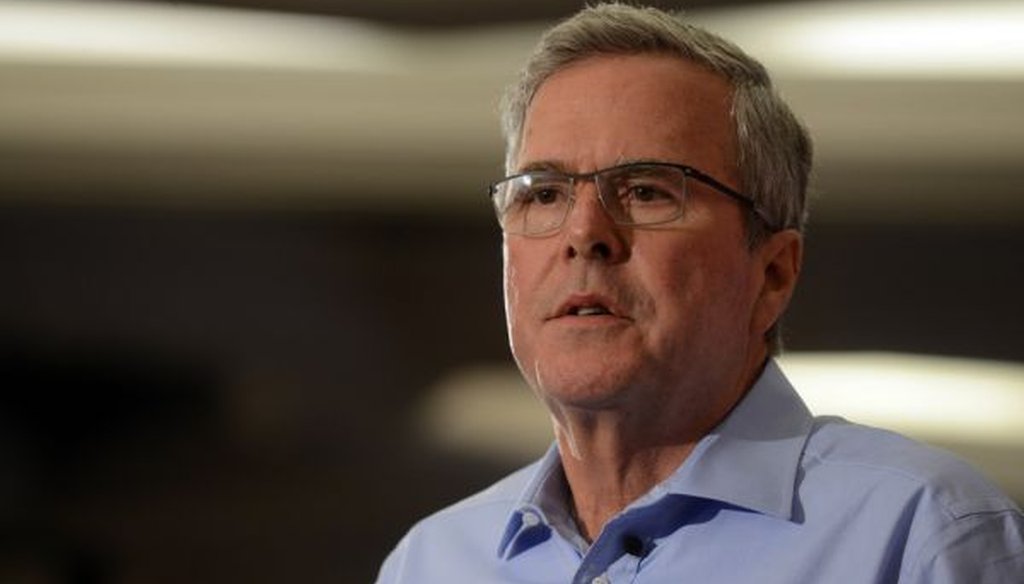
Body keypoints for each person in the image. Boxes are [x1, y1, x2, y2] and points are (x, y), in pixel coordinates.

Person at [376, 4, 1024, 583]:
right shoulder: (430, 563)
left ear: (772, 273)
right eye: (544, 193)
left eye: (649, 191)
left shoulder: (921, 533)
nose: (583, 233)